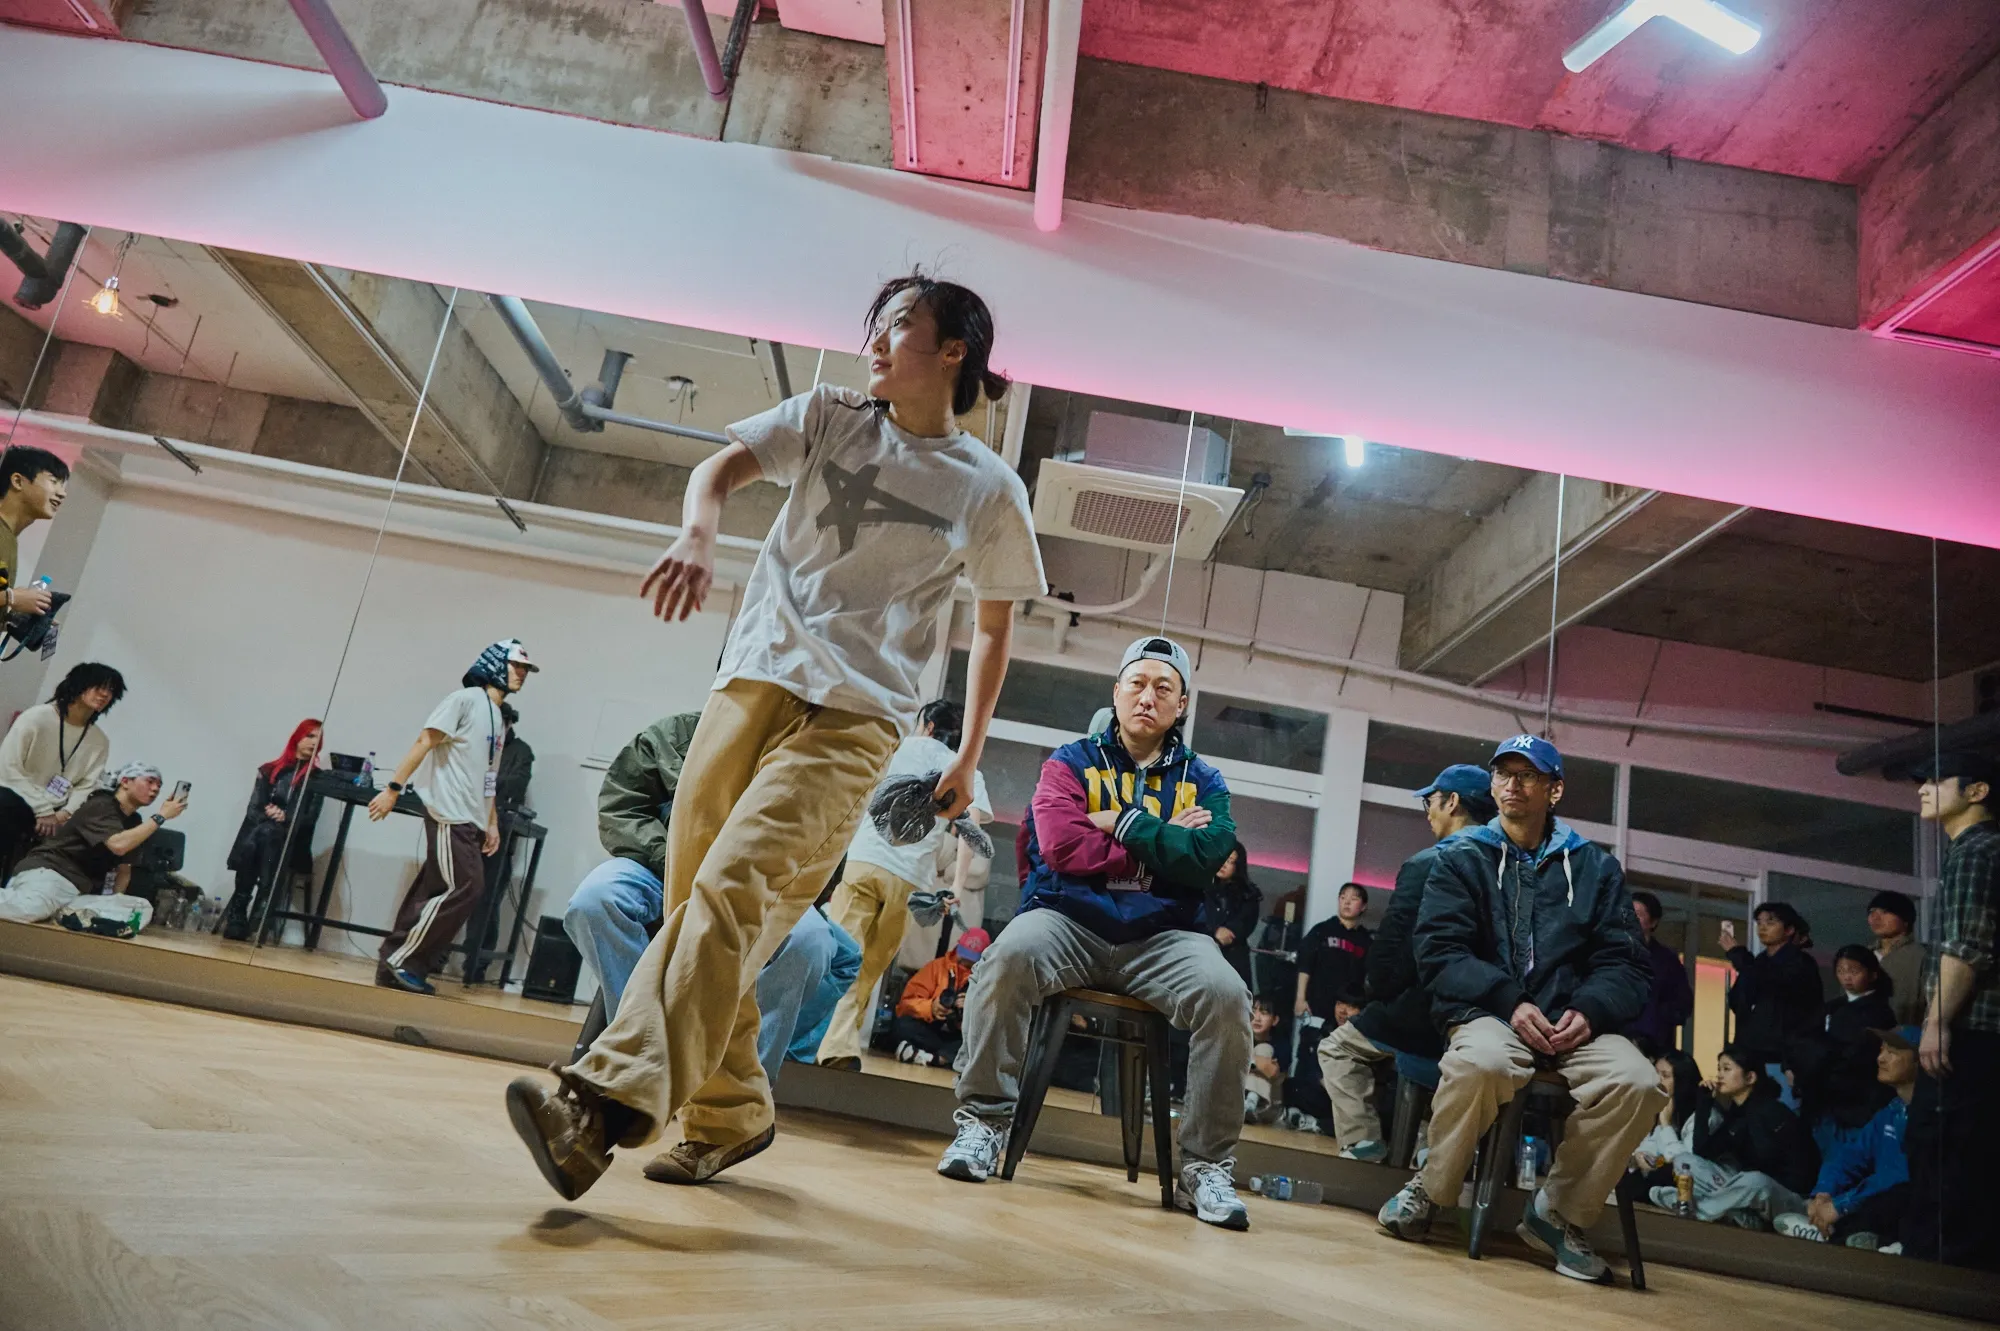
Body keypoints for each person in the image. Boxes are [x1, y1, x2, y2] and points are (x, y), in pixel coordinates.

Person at [507, 273, 1045, 1202]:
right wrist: (699, 533)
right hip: (751, 680)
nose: (876, 341)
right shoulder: (831, 413)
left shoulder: (990, 488)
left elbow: (994, 627)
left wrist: (966, 754)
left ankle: (594, 1109)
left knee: (729, 890)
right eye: (876, 324)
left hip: (857, 716)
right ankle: (730, 1110)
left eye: (900, 325)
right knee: (698, 908)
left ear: (954, 350)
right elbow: (717, 471)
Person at [939, 635, 1251, 1231]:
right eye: (1137, 683)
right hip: (1070, 920)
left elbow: (1208, 856)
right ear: (1116, 692)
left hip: (1164, 935)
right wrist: (1163, 839)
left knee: (1228, 995)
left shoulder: (1205, 779)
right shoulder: (1071, 761)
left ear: (1182, 704)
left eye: (1164, 687)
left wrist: (1121, 821)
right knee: (1006, 957)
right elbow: (1061, 846)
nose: (1148, 697)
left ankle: (1205, 1166)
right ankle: (982, 1124)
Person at [1378, 734, 1663, 1284]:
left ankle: (1555, 1212)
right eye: (1503, 774)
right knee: (1480, 1062)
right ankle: (1432, 1190)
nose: (1512, 784)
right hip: (1491, 1013)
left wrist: (1590, 1009)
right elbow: (1439, 952)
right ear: (1492, 785)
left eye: (1527, 775)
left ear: (1554, 790)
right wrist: (1509, 1001)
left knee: (1638, 1082)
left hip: (1574, 1024)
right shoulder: (1462, 857)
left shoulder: (1595, 868)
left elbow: (1628, 965)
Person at [1319, 763, 1494, 1161]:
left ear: (1452, 802)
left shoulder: (1428, 863)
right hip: (1476, 1021)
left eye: (1431, 802)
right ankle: (1429, 1151)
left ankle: (1363, 1145)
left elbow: (1394, 946)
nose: (1428, 812)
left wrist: (1375, 990)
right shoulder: (1504, 869)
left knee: (1337, 1049)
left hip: (1418, 1011)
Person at [818, 698, 991, 1070]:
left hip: (865, 862)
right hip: (911, 880)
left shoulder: (895, 747)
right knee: (870, 966)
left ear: (927, 725)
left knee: (844, 956)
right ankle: (837, 1045)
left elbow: (850, 796)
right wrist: (957, 887)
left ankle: (830, 1043)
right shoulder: (964, 768)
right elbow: (970, 830)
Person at [370, 639, 537, 995]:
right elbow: (425, 741)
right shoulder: (464, 700)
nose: (522, 674)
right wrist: (393, 788)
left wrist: (491, 821)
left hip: (470, 819)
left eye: (526, 669)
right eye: (517, 666)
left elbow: (489, 774)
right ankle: (401, 960)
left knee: (434, 889)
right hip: (450, 813)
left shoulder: (498, 717)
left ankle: (398, 964)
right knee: (467, 886)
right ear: (495, 664)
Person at [1906, 753, 1999, 1271]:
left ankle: (1936, 1286)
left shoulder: (1976, 851)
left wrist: (1937, 1023)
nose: (1923, 789)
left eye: (1937, 779)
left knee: (1946, 1156)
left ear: (1977, 791)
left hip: (1972, 1030)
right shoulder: (1977, 849)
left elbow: (1967, 946)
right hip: (1980, 1033)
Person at [1775, 1027, 1918, 1250]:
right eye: (1882, 1050)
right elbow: (1849, 1156)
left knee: (1892, 1201)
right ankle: (1831, 1232)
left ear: (1920, 1061)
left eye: (1893, 1053)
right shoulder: (1892, 1110)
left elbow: (1901, 1177)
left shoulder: (1929, 1116)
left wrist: (1843, 1204)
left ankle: (1839, 1236)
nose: (1881, 1058)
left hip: (1908, 1210)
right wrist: (1824, 1193)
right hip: (1876, 1202)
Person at [1648, 1046, 1817, 1228]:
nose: (1719, 1075)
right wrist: (1704, 1103)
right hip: (1746, 1193)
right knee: (1685, 1161)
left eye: (1727, 1069)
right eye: (1719, 1069)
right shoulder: (1736, 1115)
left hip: (1785, 1196)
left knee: (1754, 1180)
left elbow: (1772, 1164)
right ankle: (1739, 1215)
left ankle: (1698, 1208)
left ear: (1750, 1077)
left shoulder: (1771, 1111)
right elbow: (1703, 1153)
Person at [0, 762, 186, 925]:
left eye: (159, 785)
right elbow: (118, 845)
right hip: (51, 874)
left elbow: (124, 871)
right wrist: (161, 817)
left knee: (139, 908)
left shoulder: (134, 822)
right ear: (125, 781)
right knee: (29, 908)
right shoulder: (101, 804)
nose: (155, 789)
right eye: (150, 781)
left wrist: (111, 902)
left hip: (78, 891)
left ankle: (60, 914)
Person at [0, 662, 121, 873]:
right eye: (98, 687)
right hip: (20, 797)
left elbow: (87, 785)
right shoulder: (37, 717)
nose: (105, 694)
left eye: (111, 690)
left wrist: (64, 813)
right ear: (78, 685)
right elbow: (8, 767)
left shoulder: (99, 740)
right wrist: (42, 809)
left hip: (60, 810)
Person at [220, 719, 323, 941]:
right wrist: (272, 816)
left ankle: (240, 908)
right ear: (297, 737)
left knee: (265, 835)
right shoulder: (269, 770)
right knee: (264, 833)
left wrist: (286, 817)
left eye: (318, 738)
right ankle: (262, 905)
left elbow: (310, 819)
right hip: (261, 839)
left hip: (292, 845)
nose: (314, 742)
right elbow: (254, 809)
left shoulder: (317, 779)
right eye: (310, 736)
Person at [1790, 944, 1896, 1130]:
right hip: (1822, 1095)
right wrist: (1790, 1066)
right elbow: (1801, 1035)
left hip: (1854, 1099)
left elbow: (1857, 1054)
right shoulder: (1833, 1006)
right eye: (1841, 971)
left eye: (1854, 971)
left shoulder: (1879, 1012)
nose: (1846, 977)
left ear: (1873, 974)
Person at [1721, 901, 1822, 1093]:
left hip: (1781, 1058)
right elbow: (1738, 1000)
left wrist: (1740, 957)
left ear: (1789, 929)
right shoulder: (1760, 961)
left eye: (1770, 922)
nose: (1763, 927)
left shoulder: (1801, 963)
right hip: (1749, 1053)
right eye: (1759, 922)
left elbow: (1775, 985)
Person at [892, 926, 988, 1067]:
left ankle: (930, 1058)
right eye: (964, 954)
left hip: (959, 1036)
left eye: (971, 958)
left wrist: (969, 1010)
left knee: (980, 1042)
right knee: (902, 1025)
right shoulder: (936, 967)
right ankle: (944, 1058)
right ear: (957, 946)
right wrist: (931, 1008)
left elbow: (988, 1023)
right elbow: (905, 1005)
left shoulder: (985, 980)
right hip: (931, 1031)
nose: (966, 961)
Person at [0, 445, 67, 625]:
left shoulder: (9, 538)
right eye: (53, 481)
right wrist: (11, 597)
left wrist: (13, 620)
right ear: (18, 481)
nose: (62, 493)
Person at [1624, 889, 1694, 1057]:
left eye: (1637, 914)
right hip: (1614, 1038)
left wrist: (1657, 1017)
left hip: (1653, 1045)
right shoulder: (1610, 950)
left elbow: (1683, 1003)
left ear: (1653, 922)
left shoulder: (1667, 960)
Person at [1202, 842, 1261, 986]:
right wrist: (1213, 932)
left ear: (1237, 866)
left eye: (1230, 861)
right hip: (1202, 953)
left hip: (1233, 958)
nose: (1223, 865)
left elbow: (1243, 925)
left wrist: (1226, 932)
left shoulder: (1248, 894)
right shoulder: (1201, 887)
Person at [1868, 889, 1927, 1027]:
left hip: (1906, 1034)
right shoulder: (1864, 955)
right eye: (1871, 912)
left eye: (1885, 912)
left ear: (1905, 920)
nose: (1875, 918)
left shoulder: (1920, 955)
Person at [1245, 993, 1285, 1124]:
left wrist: (1247, 1061)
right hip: (1234, 1098)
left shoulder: (1281, 1045)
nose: (1257, 1018)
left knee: (1265, 1048)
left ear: (1275, 1020)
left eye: (1264, 1013)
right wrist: (1256, 1062)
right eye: (1253, 1011)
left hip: (1266, 1106)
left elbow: (1272, 1071)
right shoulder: (1238, 1036)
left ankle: (1250, 1103)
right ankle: (1248, 1104)